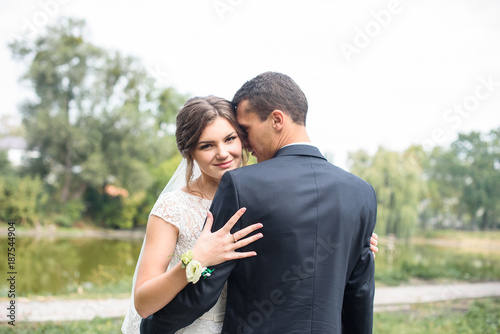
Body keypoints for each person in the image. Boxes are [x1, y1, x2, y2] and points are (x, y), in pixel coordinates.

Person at [140, 72, 378, 334]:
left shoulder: (242, 185)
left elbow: (205, 289)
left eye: (243, 132)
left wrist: (152, 326)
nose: (246, 144)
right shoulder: (361, 192)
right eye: (207, 145)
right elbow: (360, 293)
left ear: (277, 119)